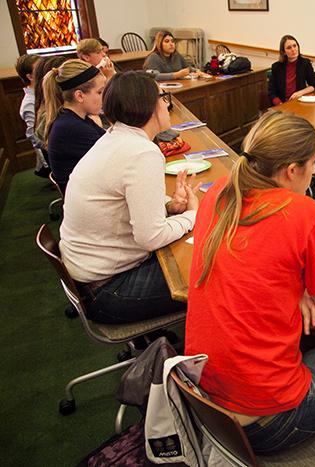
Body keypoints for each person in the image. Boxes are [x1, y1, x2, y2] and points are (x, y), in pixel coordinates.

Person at [185, 110, 315, 453]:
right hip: (269, 422)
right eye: (312, 164)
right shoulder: (307, 215)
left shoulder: (218, 192)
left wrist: (287, 297)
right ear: (291, 171)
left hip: (206, 405)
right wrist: (296, 301)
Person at [59, 71, 199, 324]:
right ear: (149, 106)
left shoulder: (116, 137)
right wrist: (193, 215)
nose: (166, 104)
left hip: (90, 276)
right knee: (215, 271)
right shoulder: (142, 152)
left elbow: (121, 200)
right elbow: (151, 237)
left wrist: (169, 205)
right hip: (109, 289)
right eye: (162, 97)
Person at [41, 59, 107, 193]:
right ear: (79, 96)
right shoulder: (71, 128)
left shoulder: (75, 118)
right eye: (100, 92)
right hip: (87, 201)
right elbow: (114, 159)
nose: (104, 97)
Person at [14, 53, 48, 177]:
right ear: (30, 76)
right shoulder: (29, 103)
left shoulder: (43, 91)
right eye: (40, 69)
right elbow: (34, 135)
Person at [268, 35, 315, 106]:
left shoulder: (305, 63)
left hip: (299, 102)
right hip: (282, 104)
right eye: (289, 48)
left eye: (295, 46)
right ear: (284, 52)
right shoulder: (276, 67)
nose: (293, 49)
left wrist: (300, 93)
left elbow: (313, 86)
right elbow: (271, 92)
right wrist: (280, 104)